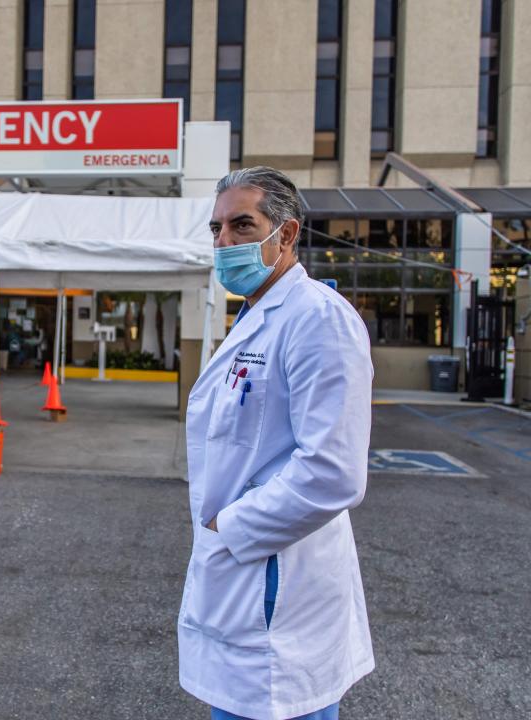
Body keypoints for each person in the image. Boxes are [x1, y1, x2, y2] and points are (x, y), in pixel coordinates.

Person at [178, 167, 374, 720]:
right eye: (216, 229)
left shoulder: (318, 320)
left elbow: (333, 473)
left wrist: (230, 527)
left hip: (278, 580)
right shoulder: (255, 317)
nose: (224, 242)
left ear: (286, 235)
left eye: (243, 225)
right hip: (245, 578)